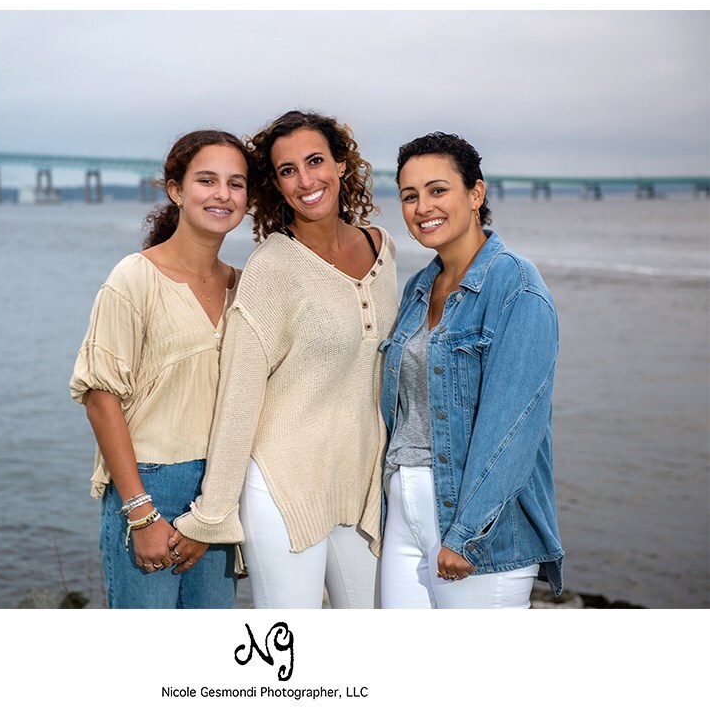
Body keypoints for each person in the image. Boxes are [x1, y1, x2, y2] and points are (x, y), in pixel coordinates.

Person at [171, 110, 398, 608]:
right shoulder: (271, 268)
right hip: (283, 484)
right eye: (287, 170)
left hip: (360, 483)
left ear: (342, 165)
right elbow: (238, 396)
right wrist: (213, 512)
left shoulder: (383, 250)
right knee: (287, 647)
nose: (305, 180)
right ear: (276, 185)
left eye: (315, 161)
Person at [380, 132, 564, 608]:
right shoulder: (420, 287)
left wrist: (468, 532)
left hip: (475, 526)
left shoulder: (516, 286)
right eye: (409, 195)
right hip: (404, 509)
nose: (423, 207)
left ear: (475, 194)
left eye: (438, 190)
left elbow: (515, 426)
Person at [69, 130, 251, 608]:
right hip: (149, 487)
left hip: (217, 496)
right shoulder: (133, 278)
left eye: (236, 184)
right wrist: (141, 512)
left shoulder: (244, 288)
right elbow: (100, 398)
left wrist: (221, 505)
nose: (222, 194)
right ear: (176, 190)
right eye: (207, 180)